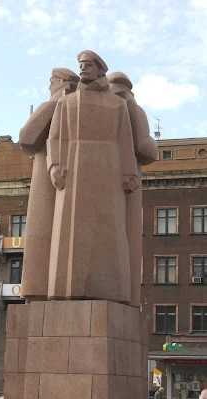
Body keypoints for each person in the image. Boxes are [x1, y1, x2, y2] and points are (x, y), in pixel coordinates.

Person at [46, 50, 138, 301]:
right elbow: (54, 139)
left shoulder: (117, 104)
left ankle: (111, 290)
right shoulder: (66, 103)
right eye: (80, 65)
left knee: (110, 230)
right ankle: (67, 290)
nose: (83, 69)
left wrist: (129, 172)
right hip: (73, 169)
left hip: (110, 169)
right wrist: (54, 166)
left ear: (100, 70)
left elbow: (125, 142)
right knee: (70, 232)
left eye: (88, 65)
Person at [19, 68, 79, 300]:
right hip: (70, 177)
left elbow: (26, 137)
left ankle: (36, 290)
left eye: (52, 81)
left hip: (46, 174)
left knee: (41, 233)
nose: (49, 86)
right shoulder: (79, 107)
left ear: (62, 83)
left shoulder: (54, 104)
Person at [108, 72, 158, 306]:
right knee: (125, 240)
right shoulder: (132, 108)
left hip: (112, 179)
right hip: (128, 182)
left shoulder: (109, 106)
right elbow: (147, 148)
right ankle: (125, 296)